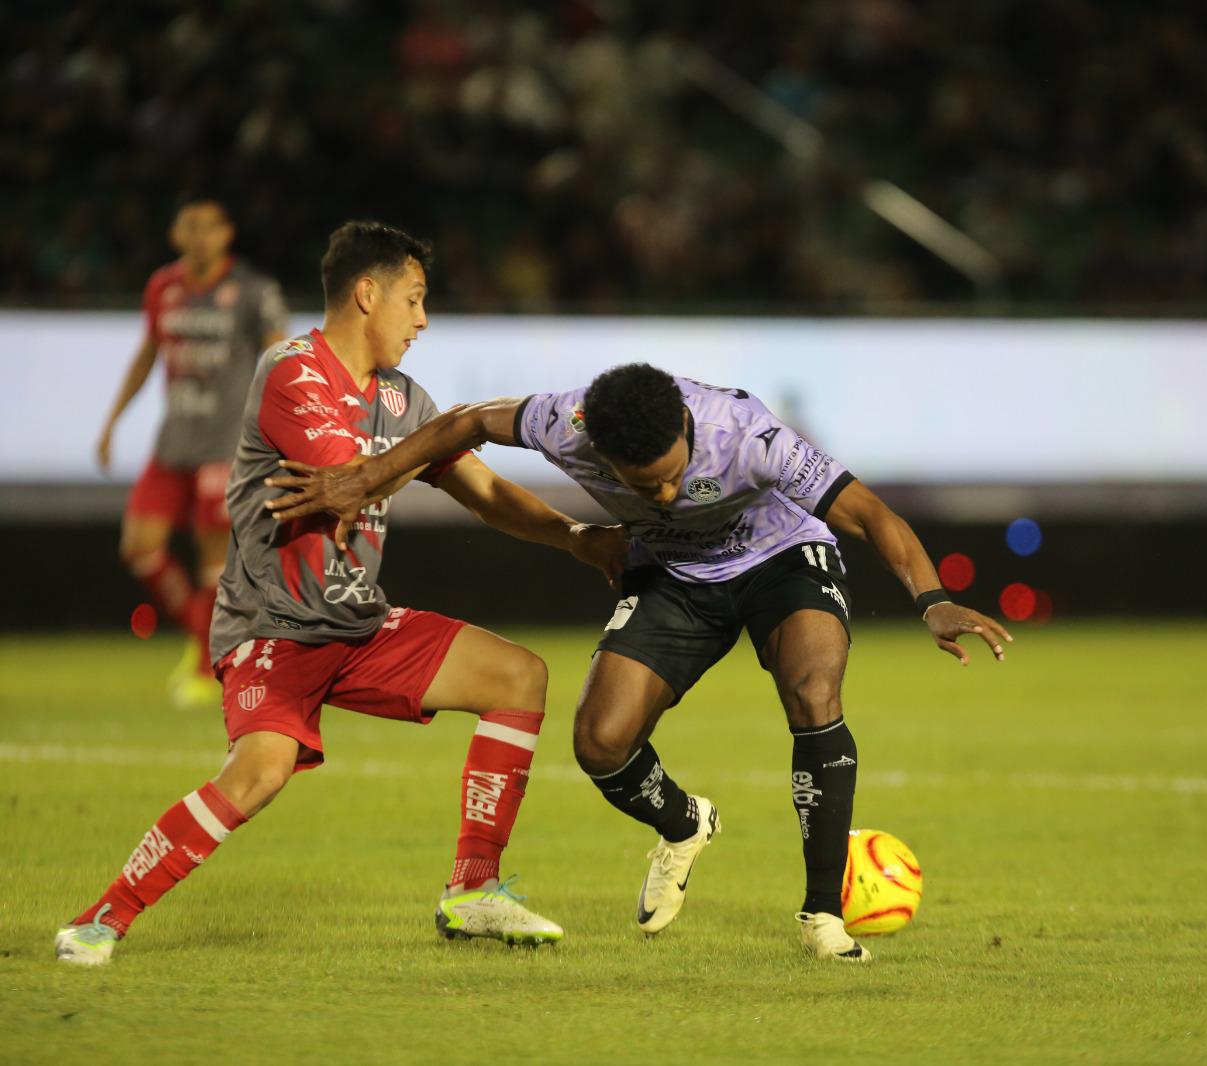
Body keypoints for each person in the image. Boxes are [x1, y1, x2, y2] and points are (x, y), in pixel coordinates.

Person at [263, 363, 1012, 963]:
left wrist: (930, 598)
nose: (662, 491)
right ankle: (685, 823)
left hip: (781, 560)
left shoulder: (746, 433)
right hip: (675, 574)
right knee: (599, 742)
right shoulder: (566, 422)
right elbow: (464, 422)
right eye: (640, 483)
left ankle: (823, 914)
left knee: (815, 689)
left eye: (670, 475)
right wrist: (365, 478)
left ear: (688, 428)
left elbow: (870, 514)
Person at [55, 221, 627, 966]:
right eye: (414, 300)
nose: (423, 320)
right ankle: (103, 916)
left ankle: (473, 890)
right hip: (273, 627)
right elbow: (345, 478)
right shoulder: (292, 370)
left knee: (519, 676)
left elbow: (482, 490)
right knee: (260, 773)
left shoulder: (402, 399)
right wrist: (444, 434)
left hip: (355, 623)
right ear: (367, 293)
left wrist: (578, 539)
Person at [96, 197, 289, 708]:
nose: (200, 235)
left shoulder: (252, 290)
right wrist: (112, 421)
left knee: (212, 561)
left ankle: (207, 668)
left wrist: (279, 428)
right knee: (140, 547)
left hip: (225, 447)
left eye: (210, 227)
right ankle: (205, 637)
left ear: (227, 234)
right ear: (175, 234)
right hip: (173, 443)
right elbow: (148, 353)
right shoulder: (163, 286)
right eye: (190, 226)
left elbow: (280, 357)